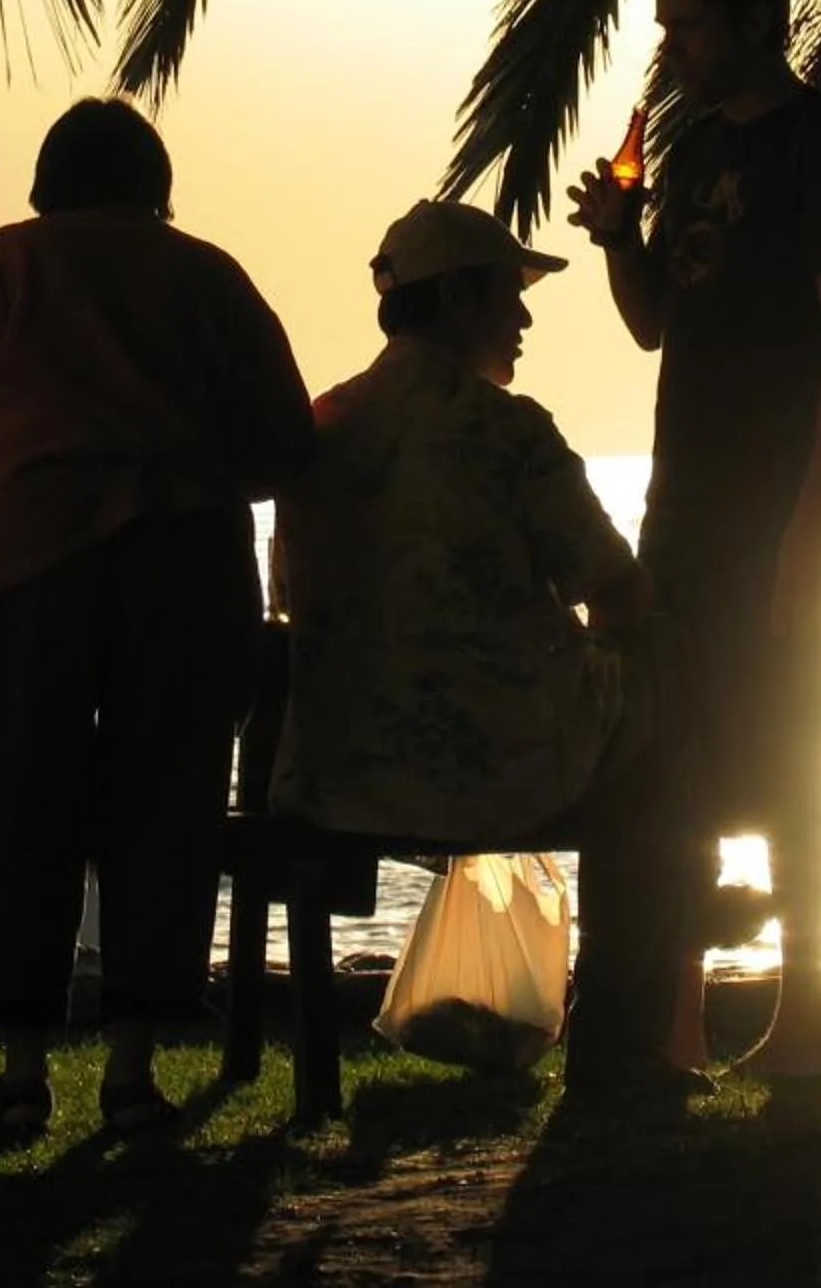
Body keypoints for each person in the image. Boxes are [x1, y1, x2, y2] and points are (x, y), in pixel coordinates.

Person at [0, 98, 311, 1141]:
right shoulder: (209, 276)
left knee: (17, 809)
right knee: (167, 812)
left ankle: (19, 1076)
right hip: (186, 570)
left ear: (47, 183)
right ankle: (133, 1075)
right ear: (157, 184)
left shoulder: (3, 268)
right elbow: (281, 444)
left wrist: (5, 506)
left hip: (31, 573)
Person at [565, 0, 821, 1084]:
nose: (678, 51)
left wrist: (813, 514)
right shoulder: (697, 150)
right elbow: (657, 321)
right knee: (681, 752)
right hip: (686, 501)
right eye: (669, 31)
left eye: (693, 26)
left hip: (786, 503)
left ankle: (804, 1017)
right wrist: (618, 237)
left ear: (756, 21)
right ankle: (682, 1023)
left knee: (801, 746)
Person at [272, 199, 691, 1091]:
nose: (526, 316)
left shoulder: (320, 429)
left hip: (339, 771)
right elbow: (618, 591)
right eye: (510, 293)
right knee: (670, 723)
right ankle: (623, 1043)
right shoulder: (508, 432)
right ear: (460, 299)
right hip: (503, 765)